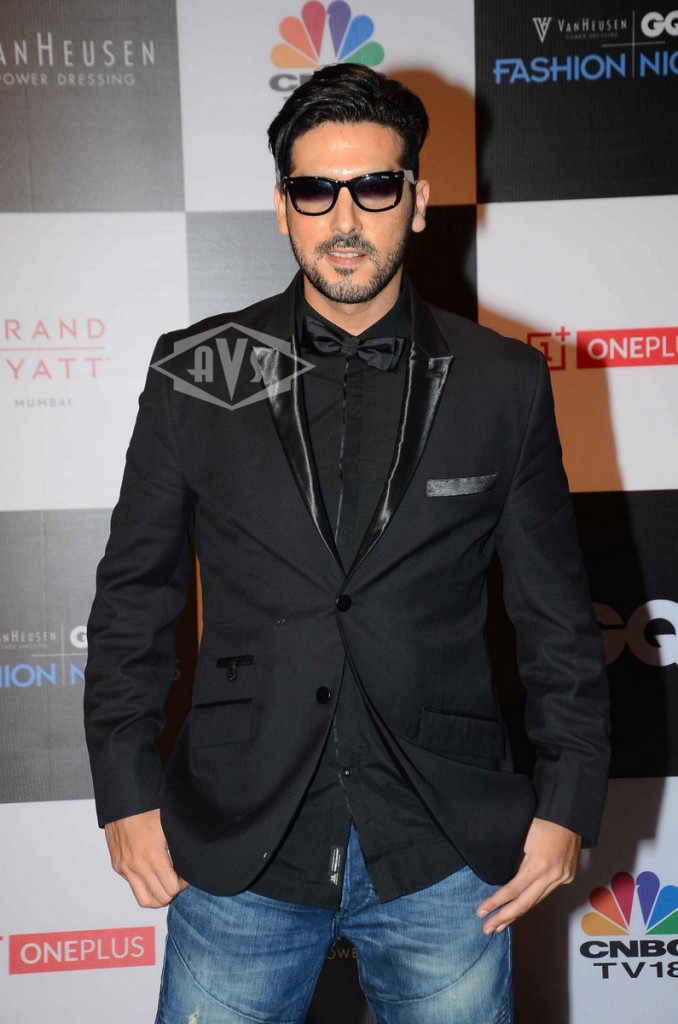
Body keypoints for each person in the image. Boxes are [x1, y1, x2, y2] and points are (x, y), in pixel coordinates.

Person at [84, 63, 610, 1024]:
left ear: (418, 199)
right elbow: (132, 602)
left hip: (443, 850)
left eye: (373, 186)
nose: (344, 218)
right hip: (240, 843)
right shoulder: (199, 370)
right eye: (315, 191)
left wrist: (568, 801)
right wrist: (123, 791)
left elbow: (557, 619)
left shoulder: (502, 381)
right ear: (282, 208)